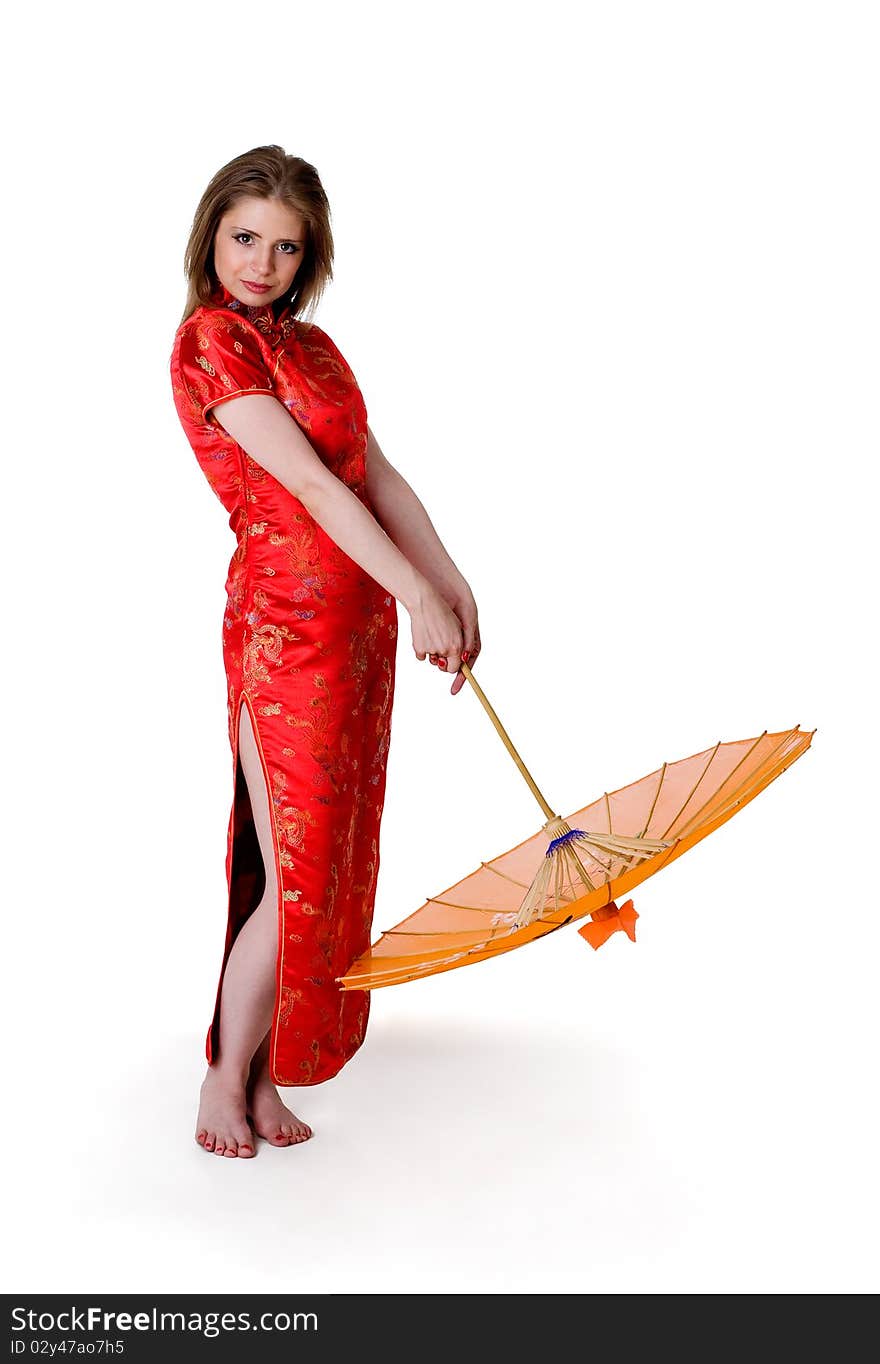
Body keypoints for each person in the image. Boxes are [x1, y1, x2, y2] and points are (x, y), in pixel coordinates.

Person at [169, 145, 481, 1157]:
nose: (259, 262)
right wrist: (413, 589)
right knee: (292, 862)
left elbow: (376, 474)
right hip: (286, 630)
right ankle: (225, 1076)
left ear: (309, 258)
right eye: (244, 236)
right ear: (212, 234)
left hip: (360, 626)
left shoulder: (316, 348)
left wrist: (448, 580)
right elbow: (307, 485)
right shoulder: (210, 344)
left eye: (284, 246)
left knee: (333, 862)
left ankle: (263, 1075)